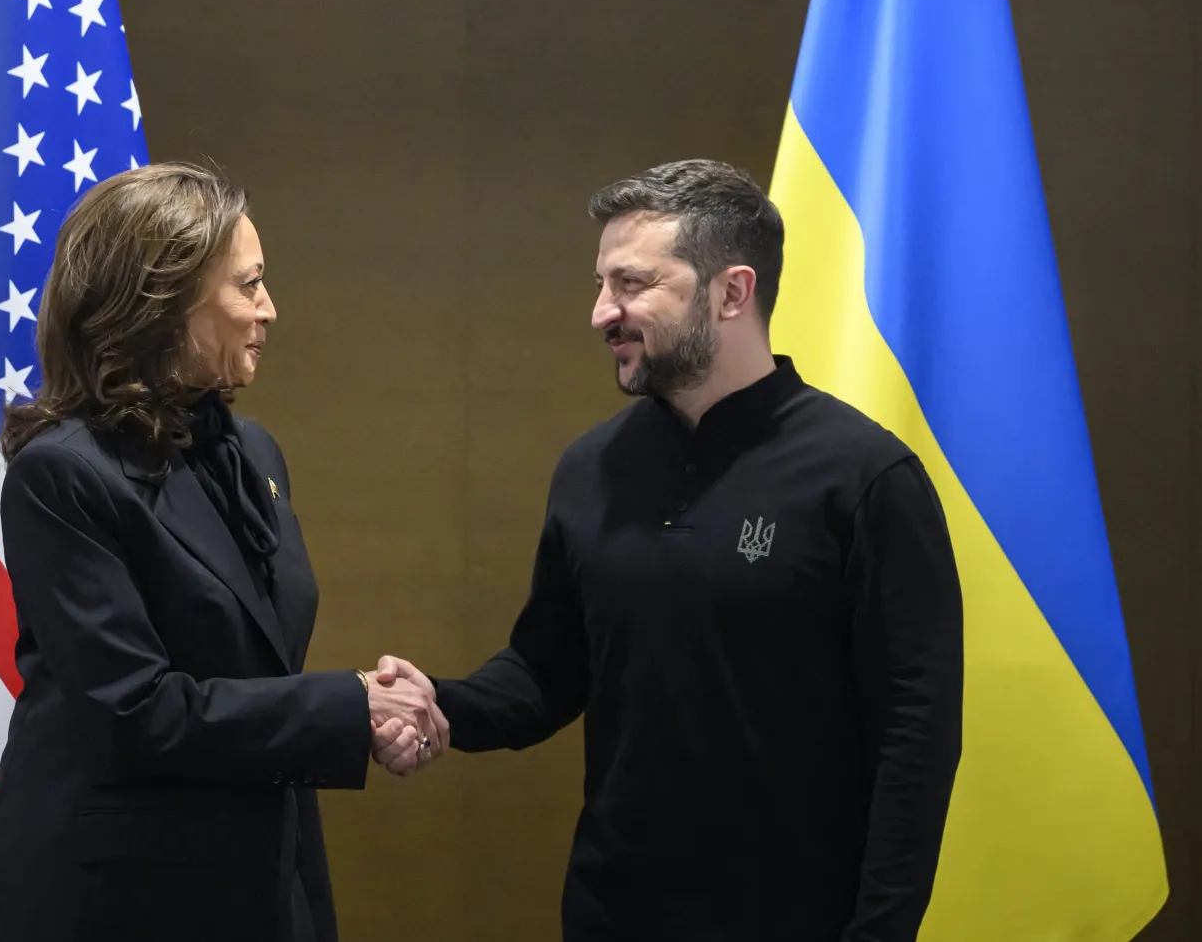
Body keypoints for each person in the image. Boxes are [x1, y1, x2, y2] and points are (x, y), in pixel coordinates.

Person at [379, 159, 964, 942]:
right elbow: (547, 672)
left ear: (731, 292)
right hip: (613, 914)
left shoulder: (864, 479)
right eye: (600, 283)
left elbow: (916, 737)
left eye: (630, 284)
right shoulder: (590, 469)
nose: (600, 313)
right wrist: (435, 703)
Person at [0, 162, 446, 942]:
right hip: (110, 899)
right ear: (165, 303)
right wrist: (347, 705)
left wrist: (365, 714)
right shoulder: (64, 474)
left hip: (257, 877)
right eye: (248, 286)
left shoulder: (255, 454)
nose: (270, 310)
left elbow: (255, 668)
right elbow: (136, 713)